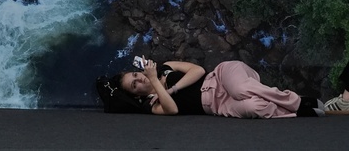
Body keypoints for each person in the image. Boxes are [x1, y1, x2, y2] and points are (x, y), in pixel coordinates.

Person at [97, 57, 322, 117]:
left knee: (241, 90)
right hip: (217, 105)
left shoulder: (166, 66)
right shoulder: (151, 104)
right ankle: (295, 111)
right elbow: (173, 110)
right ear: (135, 95)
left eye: (136, 75)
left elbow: (198, 71)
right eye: (134, 84)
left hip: (222, 77)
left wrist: (171, 87)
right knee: (254, 107)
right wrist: (155, 81)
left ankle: (299, 104)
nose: (140, 80)